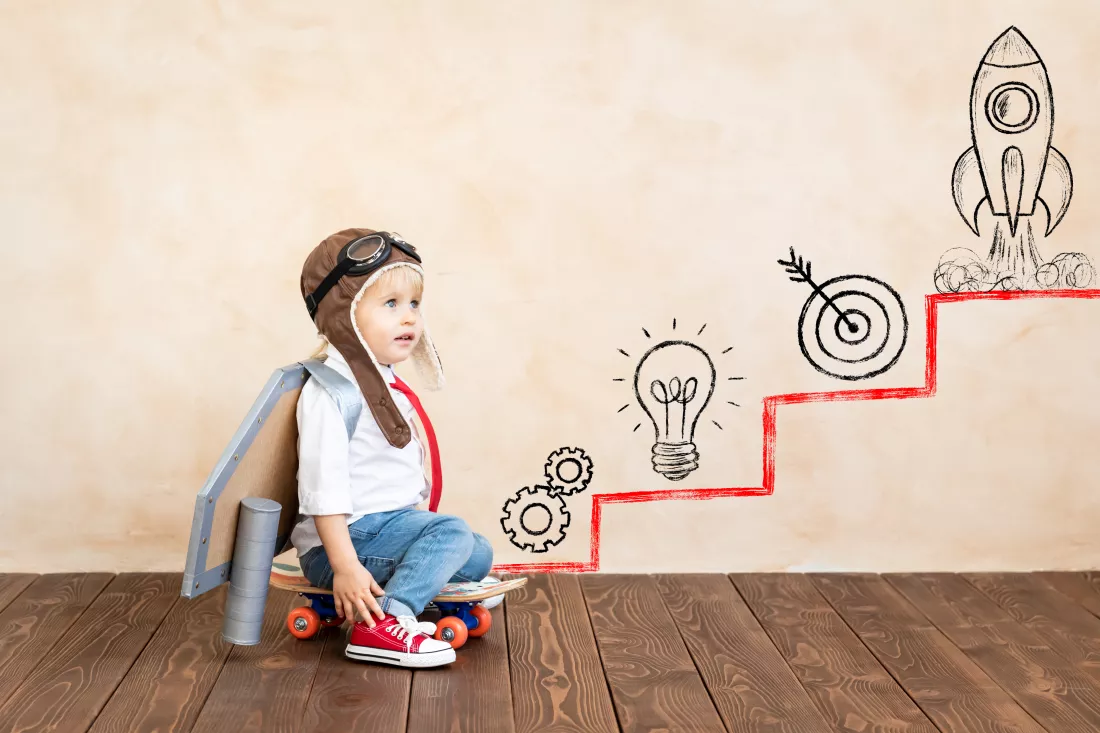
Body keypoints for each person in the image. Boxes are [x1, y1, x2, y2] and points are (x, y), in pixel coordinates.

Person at [290, 227, 497, 668]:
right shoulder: (331, 391)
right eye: (391, 304)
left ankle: (416, 584)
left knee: (478, 551)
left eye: (414, 304)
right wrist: (345, 567)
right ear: (344, 314)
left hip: (383, 526)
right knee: (452, 534)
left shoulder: (379, 376)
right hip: (341, 543)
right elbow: (321, 491)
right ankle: (385, 622)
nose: (409, 319)